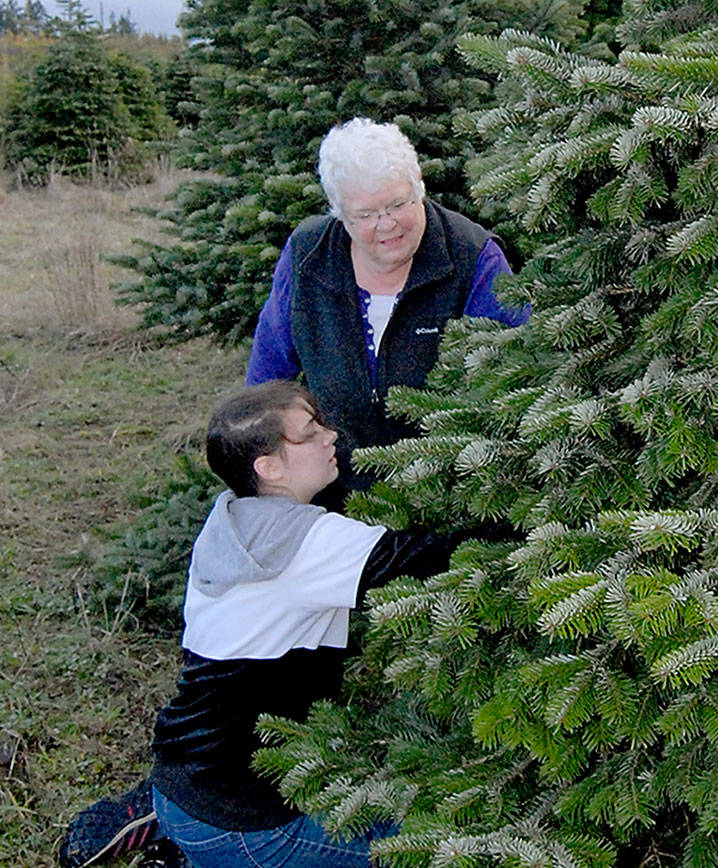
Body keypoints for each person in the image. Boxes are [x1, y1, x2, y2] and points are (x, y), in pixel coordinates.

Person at [135, 380, 473, 868]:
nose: (330, 436)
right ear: (268, 467)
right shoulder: (302, 541)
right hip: (246, 818)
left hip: (182, 782)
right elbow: (427, 558)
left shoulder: (235, 519)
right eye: (309, 433)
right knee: (423, 854)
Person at [246, 117, 528, 501]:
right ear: (339, 213)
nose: (387, 224)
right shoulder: (307, 256)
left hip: (448, 494)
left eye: (398, 203)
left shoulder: (472, 256)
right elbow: (266, 380)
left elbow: (516, 373)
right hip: (333, 492)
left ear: (420, 189)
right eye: (365, 215)